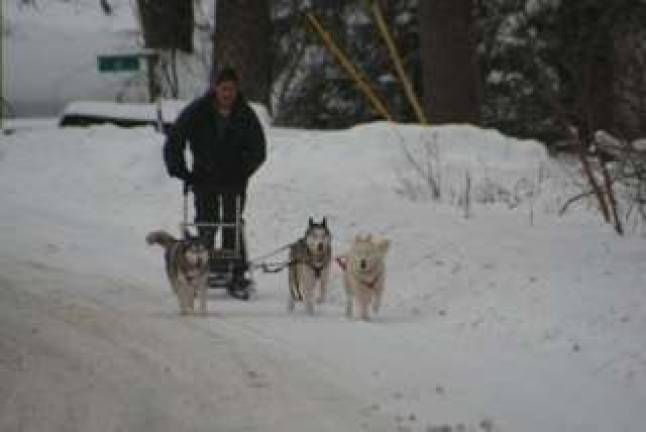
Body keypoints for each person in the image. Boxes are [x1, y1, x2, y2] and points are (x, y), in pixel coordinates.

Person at [163, 67, 266, 300]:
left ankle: (236, 272)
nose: (227, 93)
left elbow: (259, 149)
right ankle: (203, 265)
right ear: (215, 88)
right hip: (204, 177)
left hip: (233, 178)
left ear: (237, 89)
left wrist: (243, 170)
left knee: (233, 223)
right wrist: (180, 171)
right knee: (207, 222)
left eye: (231, 88)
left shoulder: (245, 114)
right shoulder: (197, 111)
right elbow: (175, 139)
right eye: (223, 88)